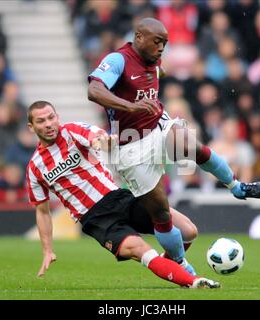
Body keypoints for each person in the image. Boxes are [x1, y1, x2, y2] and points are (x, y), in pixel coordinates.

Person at [87, 17, 260, 274]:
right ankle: (181, 264)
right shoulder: (118, 60)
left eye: (165, 43)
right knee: (161, 213)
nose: (162, 48)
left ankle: (236, 186)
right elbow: (94, 90)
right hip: (130, 143)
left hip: (158, 125)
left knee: (190, 145)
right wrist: (131, 105)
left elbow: (152, 76)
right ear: (139, 38)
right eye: (157, 42)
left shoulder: (153, 59)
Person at [25, 100, 219, 289]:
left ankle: (174, 268)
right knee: (141, 250)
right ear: (31, 127)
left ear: (57, 117)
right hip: (96, 219)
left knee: (188, 231)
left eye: (51, 117)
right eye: (41, 121)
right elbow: (42, 211)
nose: (49, 124)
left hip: (119, 198)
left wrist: (102, 141)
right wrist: (47, 250)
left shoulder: (72, 131)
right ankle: (193, 281)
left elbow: (96, 136)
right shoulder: (35, 167)